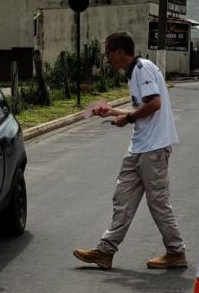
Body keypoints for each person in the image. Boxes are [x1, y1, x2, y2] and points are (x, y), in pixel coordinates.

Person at [73, 32, 187, 271]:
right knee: (122, 198)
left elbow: (155, 104)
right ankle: (105, 251)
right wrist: (112, 111)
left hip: (154, 148)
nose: (107, 58)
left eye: (108, 53)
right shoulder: (134, 73)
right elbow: (141, 108)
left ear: (119, 51)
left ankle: (176, 252)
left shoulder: (142, 68)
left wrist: (128, 119)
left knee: (158, 202)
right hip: (139, 147)